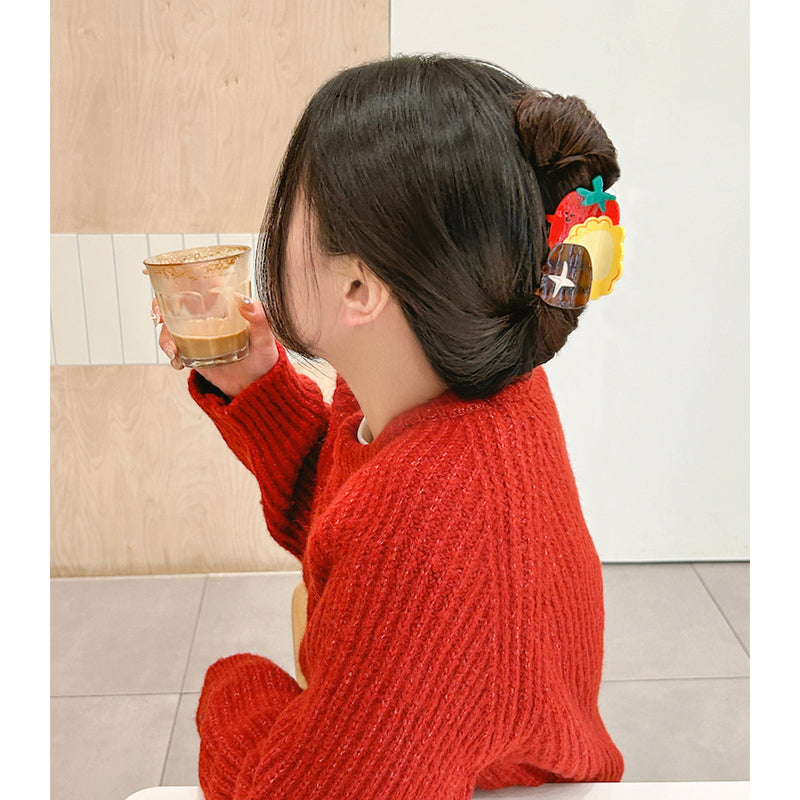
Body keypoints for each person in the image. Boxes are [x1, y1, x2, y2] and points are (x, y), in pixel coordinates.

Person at [156, 53, 625, 800]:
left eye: (292, 207)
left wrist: (231, 689)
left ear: (358, 286)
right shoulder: (480, 382)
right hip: (459, 742)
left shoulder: (419, 522)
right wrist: (258, 388)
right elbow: (345, 513)